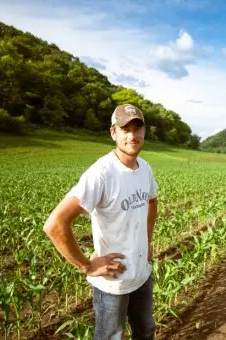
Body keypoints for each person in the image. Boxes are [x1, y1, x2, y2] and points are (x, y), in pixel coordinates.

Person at [43, 103, 158, 340]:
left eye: (137, 128)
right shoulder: (101, 174)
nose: (132, 135)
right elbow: (54, 224)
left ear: (144, 132)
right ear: (113, 132)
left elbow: (152, 202)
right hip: (113, 283)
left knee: (146, 331)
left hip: (142, 274)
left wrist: (148, 241)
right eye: (125, 129)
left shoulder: (145, 169)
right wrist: (87, 265)